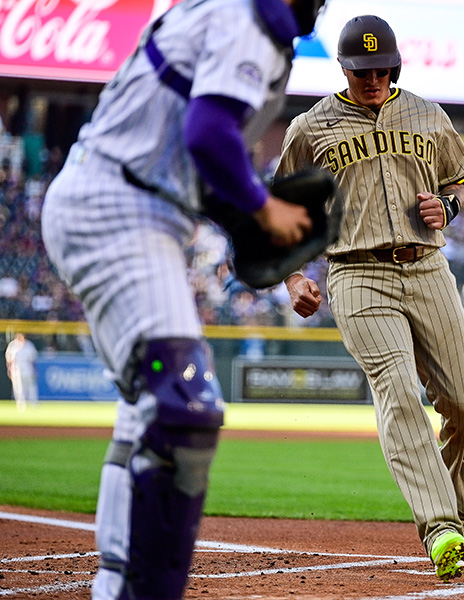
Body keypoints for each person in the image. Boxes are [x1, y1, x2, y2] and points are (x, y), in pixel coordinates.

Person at [39, 0, 327, 597]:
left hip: (126, 201)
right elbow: (208, 135)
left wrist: (255, 229)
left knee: (146, 408)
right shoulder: (247, 17)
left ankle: (116, 581)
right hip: (121, 207)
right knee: (183, 407)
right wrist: (263, 208)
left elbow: (197, 162)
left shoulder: (235, 16)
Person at [275, 14, 464, 581]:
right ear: (344, 69)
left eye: (382, 69)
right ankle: (439, 527)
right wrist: (293, 277)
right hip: (356, 272)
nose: (373, 79)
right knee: (398, 390)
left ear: (395, 67)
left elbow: (458, 180)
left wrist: (450, 206)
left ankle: (459, 509)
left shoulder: (428, 115)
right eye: (362, 70)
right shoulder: (310, 128)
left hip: (428, 267)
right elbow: (281, 211)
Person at [6, 332, 38, 411]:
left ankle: (33, 403)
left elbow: (33, 359)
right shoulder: (12, 345)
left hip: (28, 368)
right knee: (18, 388)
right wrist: (9, 369)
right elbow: (9, 359)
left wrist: (35, 370)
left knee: (30, 387)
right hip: (16, 369)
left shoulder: (29, 345)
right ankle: (21, 404)